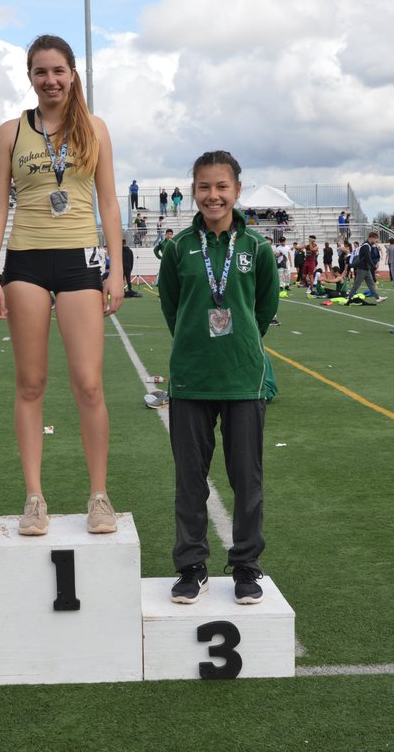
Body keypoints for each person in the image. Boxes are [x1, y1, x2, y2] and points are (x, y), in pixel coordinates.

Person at [0, 34, 122, 536]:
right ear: (30, 77)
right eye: (41, 72)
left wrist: (117, 269)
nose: (51, 80)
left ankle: (99, 495)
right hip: (25, 261)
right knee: (31, 382)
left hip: (81, 261)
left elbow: (108, 203)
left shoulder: (95, 129)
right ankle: (35, 497)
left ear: (73, 74)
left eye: (59, 71)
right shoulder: (10, 132)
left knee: (88, 383)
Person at [157, 150, 279, 605]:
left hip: (244, 379)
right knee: (190, 479)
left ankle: (246, 565)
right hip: (191, 379)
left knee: (246, 479)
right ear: (194, 191)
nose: (213, 195)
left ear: (237, 191)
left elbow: (264, 308)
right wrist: (195, 344)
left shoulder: (257, 249)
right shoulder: (177, 248)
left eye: (221, 186)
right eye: (204, 187)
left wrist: (240, 343)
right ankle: (191, 565)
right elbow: (172, 307)